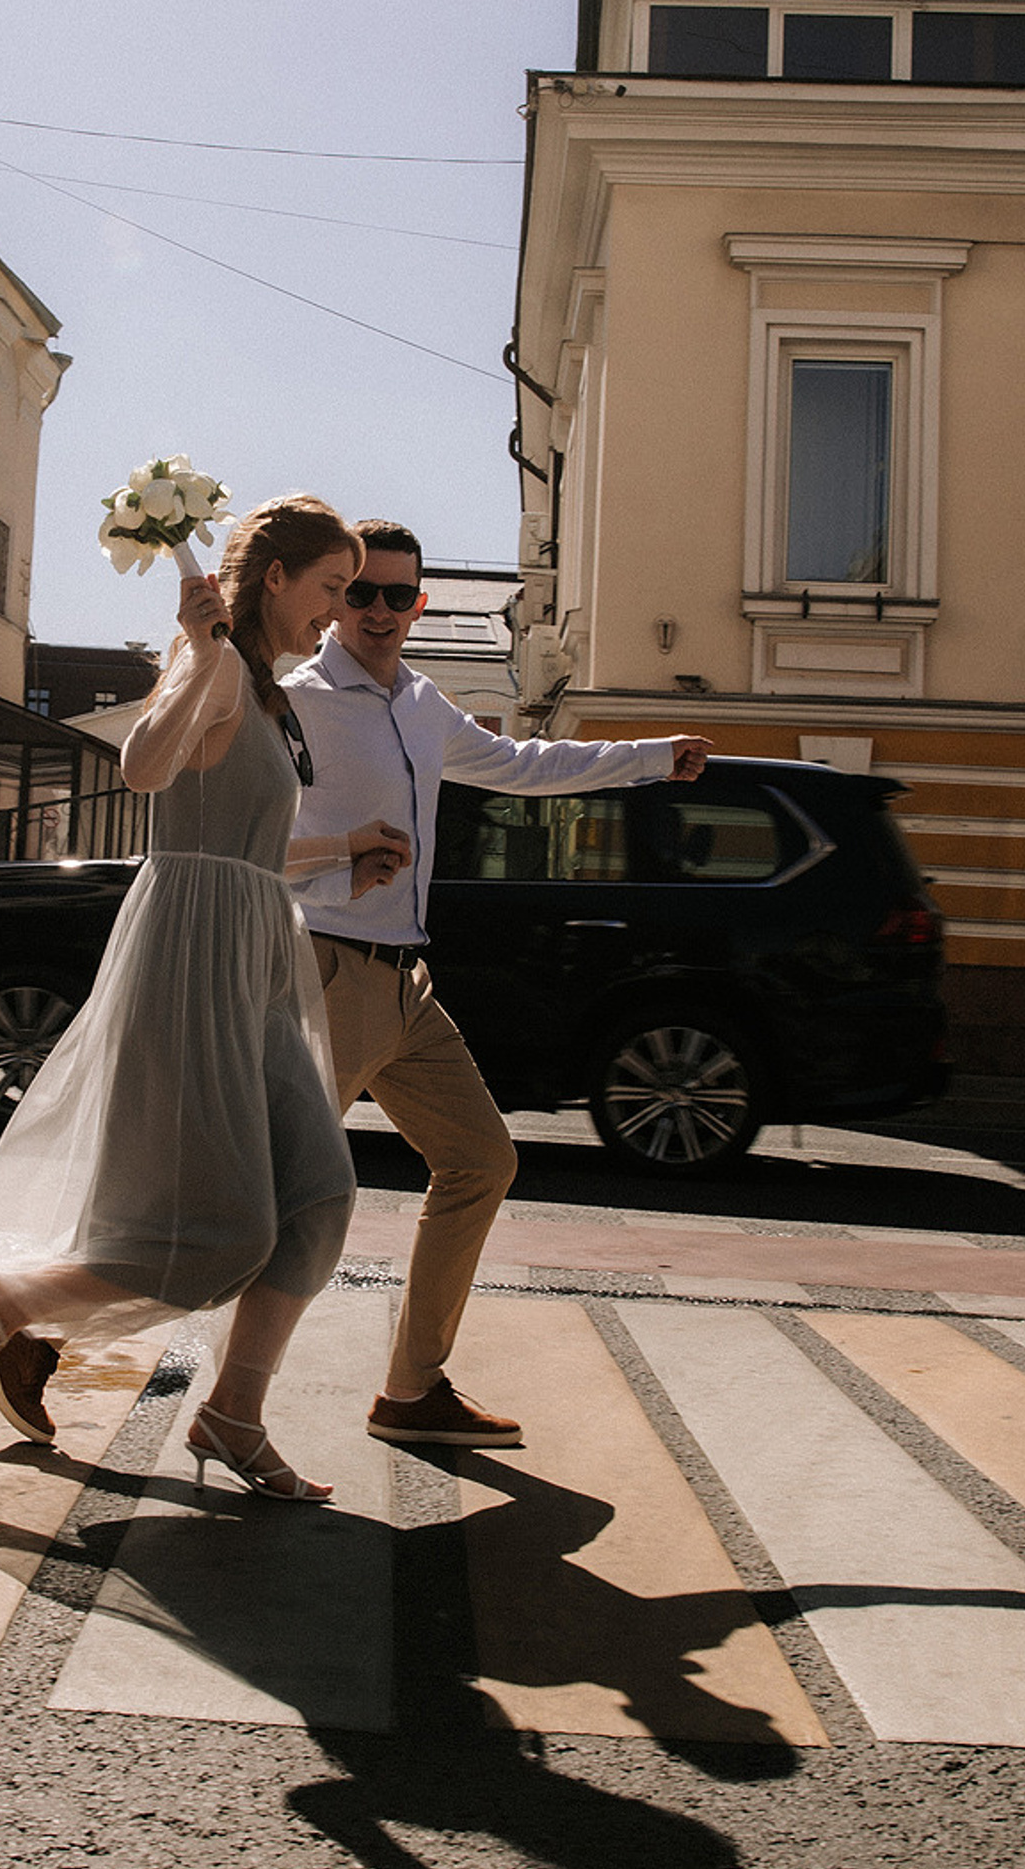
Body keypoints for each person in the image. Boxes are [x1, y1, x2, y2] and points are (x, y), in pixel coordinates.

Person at [0, 496, 412, 1504]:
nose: (340, 608)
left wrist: (342, 850)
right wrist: (195, 649)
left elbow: (244, 842)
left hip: (250, 953)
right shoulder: (223, 664)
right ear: (275, 577)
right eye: (331, 586)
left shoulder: (264, 687)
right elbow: (145, 769)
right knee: (224, 1233)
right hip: (193, 959)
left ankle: (233, 1413)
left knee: (317, 1195)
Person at [286, 520, 710, 1447]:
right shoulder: (298, 701)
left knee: (480, 1161)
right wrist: (332, 872)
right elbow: (245, 848)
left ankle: (410, 1389)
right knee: (264, 1196)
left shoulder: (421, 703)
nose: (381, 612)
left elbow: (522, 766)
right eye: (362, 594)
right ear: (334, 601)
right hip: (326, 974)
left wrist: (645, 756)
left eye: (400, 596)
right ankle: (36, 1322)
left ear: (422, 606)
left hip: (406, 985)